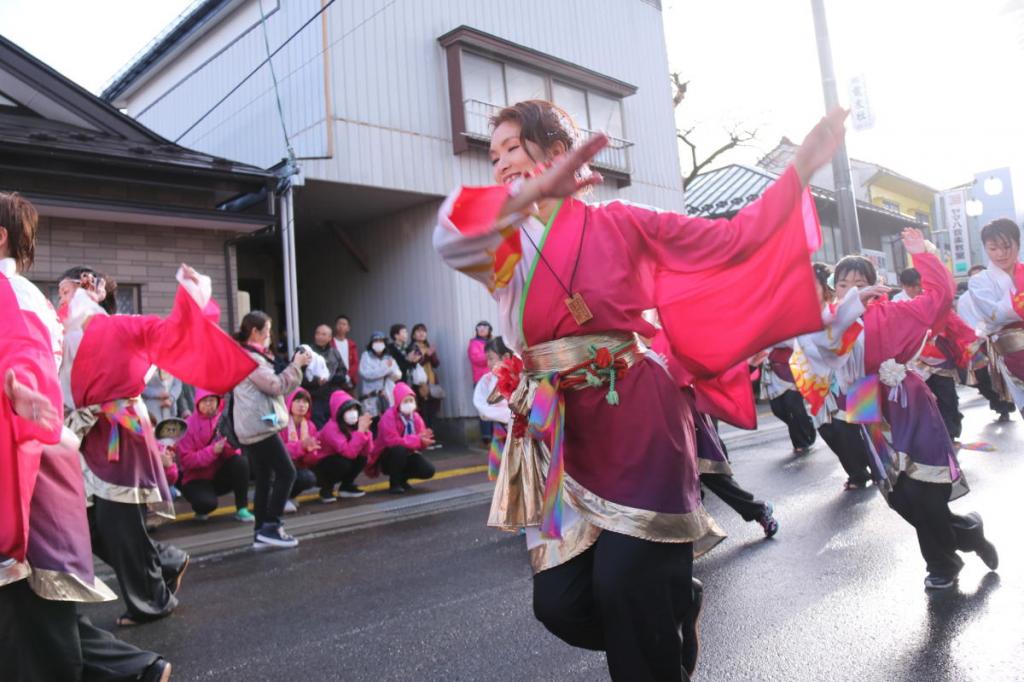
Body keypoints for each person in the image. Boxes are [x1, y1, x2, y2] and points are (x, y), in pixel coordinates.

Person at [434, 98, 843, 679]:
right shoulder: (505, 240)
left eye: (512, 148)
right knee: (560, 603)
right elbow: (451, 240)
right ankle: (674, 600)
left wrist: (798, 169)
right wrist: (525, 197)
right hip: (556, 430)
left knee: (626, 584)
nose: (498, 163)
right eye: (493, 153)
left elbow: (728, 241)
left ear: (558, 152)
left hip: (635, 409)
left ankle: (656, 618)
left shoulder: (621, 222)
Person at [0, 192, 172, 681]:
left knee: (33, 620)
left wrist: (22, 391)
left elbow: (25, 364)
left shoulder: (14, 296)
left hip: (29, 467)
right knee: (34, 616)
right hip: (53, 454)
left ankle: (149, 614)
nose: (63, 297)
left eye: (69, 289)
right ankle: (138, 667)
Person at [803, 228, 998, 590]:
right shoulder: (828, 322)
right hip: (862, 400)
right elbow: (817, 353)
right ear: (835, 288)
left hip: (904, 396)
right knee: (898, 496)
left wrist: (921, 253)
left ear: (876, 286)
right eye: (844, 284)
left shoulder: (896, 312)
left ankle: (942, 563)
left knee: (925, 488)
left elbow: (940, 297)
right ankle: (967, 533)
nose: (852, 289)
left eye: (860, 282)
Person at [60, 262, 253, 627]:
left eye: (67, 292)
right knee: (88, 526)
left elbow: (172, 332)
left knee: (117, 523)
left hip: (119, 433)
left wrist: (192, 293)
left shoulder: (121, 326)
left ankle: (152, 599)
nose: (62, 301)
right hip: (85, 437)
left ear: (89, 287)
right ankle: (163, 561)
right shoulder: (62, 336)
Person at [233, 311, 312, 549]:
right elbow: (276, 385)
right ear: (255, 332)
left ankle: (261, 531)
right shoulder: (251, 359)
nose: (270, 336)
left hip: (255, 425)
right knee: (287, 473)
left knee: (266, 479)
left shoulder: (250, 356)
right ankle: (272, 525)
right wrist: (296, 365)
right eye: (267, 331)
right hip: (260, 426)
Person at [958, 218, 1024, 418]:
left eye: (1007, 246)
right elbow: (993, 314)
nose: (1001, 254)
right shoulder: (979, 281)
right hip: (1013, 353)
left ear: (1018, 243)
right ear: (986, 248)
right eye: (993, 248)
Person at [177, 389, 253, 522]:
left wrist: (229, 448)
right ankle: (200, 507)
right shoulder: (188, 425)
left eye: (212, 400)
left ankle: (242, 508)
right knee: (206, 504)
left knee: (241, 462)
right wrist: (212, 452)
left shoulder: (224, 420)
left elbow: (234, 451)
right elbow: (186, 461)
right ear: (197, 402)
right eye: (205, 401)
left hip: (218, 475)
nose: (209, 405)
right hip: (195, 479)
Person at [368, 382, 437, 494]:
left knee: (428, 470)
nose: (409, 404)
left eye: (411, 400)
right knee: (398, 449)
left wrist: (424, 442)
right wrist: (418, 440)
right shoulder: (389, 416)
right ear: (398, 402)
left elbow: (420, 439)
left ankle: (402, 479)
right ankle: (394, 482)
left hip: (408, 454)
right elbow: (392, 441)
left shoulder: (416, 417)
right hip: (387, 456)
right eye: (405, 401)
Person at [756, 339, 817, 454]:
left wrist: (774, 338)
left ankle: (801, 443)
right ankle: (806, 425)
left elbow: (793, 341)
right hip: (772, 372)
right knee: (777, 409)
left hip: (790, 369)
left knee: (792, 407)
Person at [316, 390, 373, 501]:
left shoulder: (354, 426)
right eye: (348, 410)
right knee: (342, 462)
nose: (352, 413)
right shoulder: (331, 427)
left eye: (354, 409)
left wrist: (366, 432)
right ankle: (326, 489)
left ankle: (346, 487)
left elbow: (366, 451)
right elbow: (348, 452)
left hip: (340, 460)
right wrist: (360, 432)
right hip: (321, 467)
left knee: (362, 458)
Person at [473, 337, 514, 479]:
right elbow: (484, 401)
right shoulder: (490, 378)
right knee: (502, 466)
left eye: (491, 358)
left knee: (515, 465)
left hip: (516, 430)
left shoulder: (516, 377)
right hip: (500, 429)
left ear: (506, 357)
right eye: (487, 359)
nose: (488, 363)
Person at [280, 388, 322, 509]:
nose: (302, 405)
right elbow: (280, 451)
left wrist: (310, 452)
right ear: (289, 402)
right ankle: (279, 499)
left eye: (305, 402)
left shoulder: (310, 425)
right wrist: (301, 446)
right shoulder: (281, 423)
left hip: (298, 466)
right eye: (297, 401)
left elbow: (311, 460)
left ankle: (289, 496)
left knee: (309, 478)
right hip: (279, 467)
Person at [304, 323, 347, 428]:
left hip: (331, 396)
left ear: (329, 338)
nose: (319, 336)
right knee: (317, 427)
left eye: (323, 334)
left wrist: (334, 378)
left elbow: (343, 372)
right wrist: (316, 381)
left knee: (334, 426)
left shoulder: (334, 353)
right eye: (317, 333)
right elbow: (299, 375)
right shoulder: (307, 352)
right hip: (314, 396)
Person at [408, 322, 443, 435]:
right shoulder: (413, 347)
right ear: (413, 335)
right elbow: (416, 363)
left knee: (432, 411)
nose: (421, 333)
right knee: (423, 410)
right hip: (420, 383)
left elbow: (436, 364)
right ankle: (424, 437)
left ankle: (432, 437)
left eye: (423, 331)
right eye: (418, 331)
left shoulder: (428, 347)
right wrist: (427, 355)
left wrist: (431, 354)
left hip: (431, 380)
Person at [359, 331, 402, 419]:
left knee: (387, 420)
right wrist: (386, 369)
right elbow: (366, 374)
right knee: (372, 421)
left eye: (381, 341)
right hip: (371, 395)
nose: (378, 343)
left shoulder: (389, 357)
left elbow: (398, 375)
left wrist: (390, 372)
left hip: (387, 395)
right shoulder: (366, 356)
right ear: (371, 343)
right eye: (376, 341)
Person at [468, 321, 494, 446]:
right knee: (484, 408)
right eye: (479, 327)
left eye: (485, 327)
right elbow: (477, 359)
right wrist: (491, 355)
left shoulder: (493, 342)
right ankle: (486, 438)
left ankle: (496, 435)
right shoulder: (473, 343)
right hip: (481, 381)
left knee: (496, 406)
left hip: (495, 379)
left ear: (490, 329)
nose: (482, 329)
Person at [333, 315, 359, 392]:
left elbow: (355, 363)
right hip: (334, 381)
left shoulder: (351, 344)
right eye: (339, 323)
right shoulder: (330, 343)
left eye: (344, 324)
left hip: (349, 381)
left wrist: (348, 376)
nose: (341, 326)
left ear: (348, 328)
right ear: (335, 326)